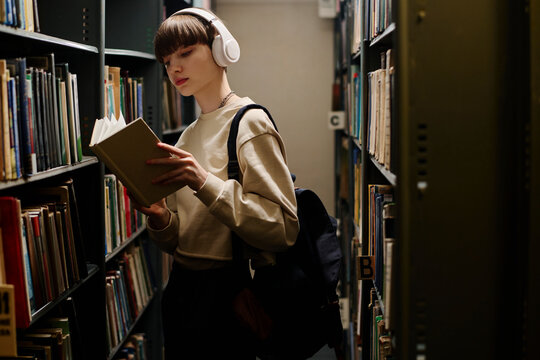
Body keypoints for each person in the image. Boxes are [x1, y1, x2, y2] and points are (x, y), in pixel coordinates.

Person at [132, 7, 299, 359]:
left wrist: (203, 182)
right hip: (180, 291)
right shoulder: (186, 137)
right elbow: (179, 239)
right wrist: (160, 218)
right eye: (166, 60)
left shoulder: (250, 123)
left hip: (230, 293)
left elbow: (283, 229)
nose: (173, 68)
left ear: (222, 49)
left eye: (185, 52)